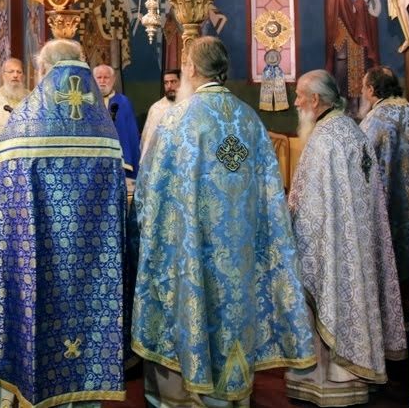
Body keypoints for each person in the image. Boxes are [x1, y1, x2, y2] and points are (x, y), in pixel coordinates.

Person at [132, 37, 315, 406]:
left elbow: (150, 189)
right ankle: (233, 394)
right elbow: (270, 193)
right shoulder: (249, 119)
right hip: (240, 250)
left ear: (192, 69)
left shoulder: (178, 120)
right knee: (235, 314)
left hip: (194, 249)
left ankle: (190, 393)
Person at [0, 39, 127, 406]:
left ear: (44, 71)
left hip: (37, 263)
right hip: (91, 266)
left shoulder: (25, 127)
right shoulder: (105, 130)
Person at [285, 70, 406, 407]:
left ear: (316, 100)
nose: (296, 103)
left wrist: (287, 223)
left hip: (334, 247)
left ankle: (328, 383)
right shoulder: (353, 130)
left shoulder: (324, 139)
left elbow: (305, 205)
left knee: (332, 297)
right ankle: (355, 375)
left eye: (299, 96)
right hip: (357, 243)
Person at [359, 66, 409, 287]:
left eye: (363, 87)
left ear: (371, 89)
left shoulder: (374, 119)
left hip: (382, 198)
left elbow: (360, 159)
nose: (362, 92)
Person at [325, 0, 380, 118]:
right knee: (341, 64)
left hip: (360, 23)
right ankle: (344, 105)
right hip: (341, 25)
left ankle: (361, 106)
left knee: (362, 63)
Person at [93, 63, 140, 180]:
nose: (102, 81)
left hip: (118, 162)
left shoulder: (123, 102)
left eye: (106, 77)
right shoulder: (88, 102)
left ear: (113, 80)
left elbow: (131, 135)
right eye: (99, 77)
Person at [0, 57, 29, 143]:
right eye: (11, 71)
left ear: (23, 76)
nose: (15, 75)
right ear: (3, 75)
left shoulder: (31, 98)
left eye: (19, 72)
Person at [140, 68, 180, 159]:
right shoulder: (156, 108)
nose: (169, 86)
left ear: (181, 82)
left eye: (173, 82)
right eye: (166, 83)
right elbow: (147, 139)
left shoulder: (189, 105)